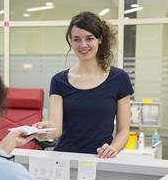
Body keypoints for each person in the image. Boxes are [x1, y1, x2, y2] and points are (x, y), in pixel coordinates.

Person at [35, 11, 134, 158]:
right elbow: (56, 129)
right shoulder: (59, 80)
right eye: (76, 39)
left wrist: (113, 148)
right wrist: (43, 131)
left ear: (100, 39)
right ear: (70, 41)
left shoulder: (119, 78)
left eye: (89, 38)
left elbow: (124, 131)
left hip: (100, 160)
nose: (83, 45)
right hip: (64, 159)